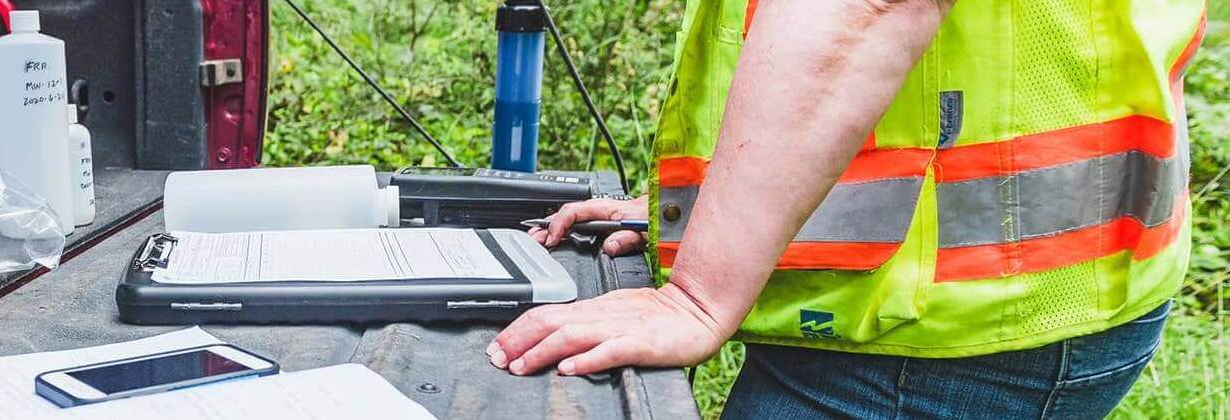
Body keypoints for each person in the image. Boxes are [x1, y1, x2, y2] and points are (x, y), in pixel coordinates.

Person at [487, 0, 1207, 418]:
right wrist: (732, 202)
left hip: (932, 336)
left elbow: (867, 9)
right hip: (1059, 285)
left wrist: (698, 295)